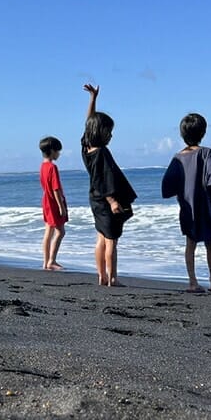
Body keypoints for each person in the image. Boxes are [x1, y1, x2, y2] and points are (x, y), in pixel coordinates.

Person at [81, 83, 137, 287]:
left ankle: (102, 276)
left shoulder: (86, 148)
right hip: (106, 200)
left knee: (101, 237)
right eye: (109, 132)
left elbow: (89, 122)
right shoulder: (101, 153)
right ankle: (112, 278)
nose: (111, 136)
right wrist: (113, 201)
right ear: (101, 132)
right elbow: (103, 180)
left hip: (95, 198)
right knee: (112, 240)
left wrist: (93, 99)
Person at [161, 113, 211, 294]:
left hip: (187, 207)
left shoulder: (177, 157)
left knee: (190, 244)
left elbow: (167, 184)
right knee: (210, 243)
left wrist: (180, 194)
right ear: (203, 132)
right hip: (205, 206)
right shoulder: (206, 152)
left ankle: (192, 281)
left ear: (182, 134)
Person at [39, 136, 68, 271]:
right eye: (57, 151)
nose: (59, 154)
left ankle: (46, 262)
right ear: (52, 151)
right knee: (60, 232)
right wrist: (61, 206)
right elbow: (55, 189)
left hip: (46, 200)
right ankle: (52, 260)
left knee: (48, 232)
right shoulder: (52, 167)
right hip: (53, 202)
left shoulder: (43, 166)